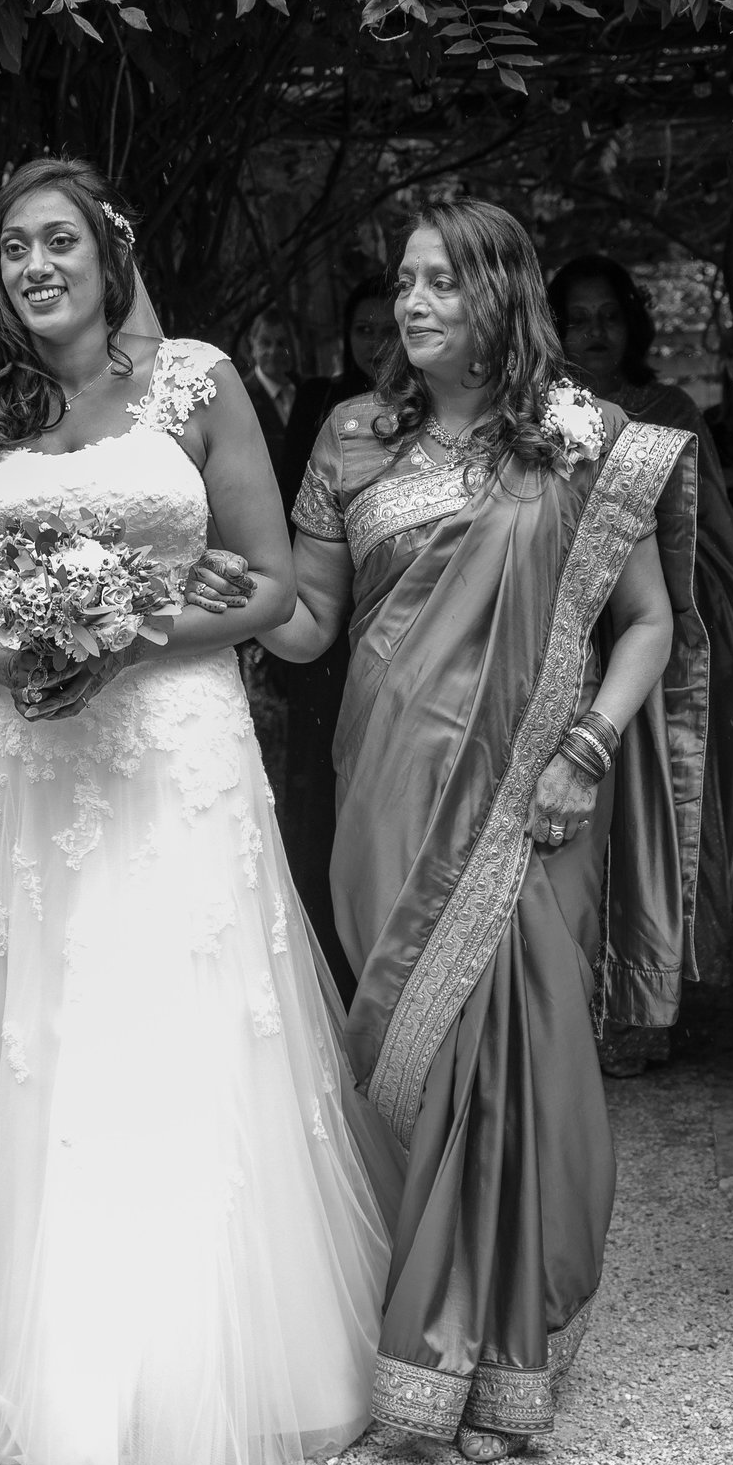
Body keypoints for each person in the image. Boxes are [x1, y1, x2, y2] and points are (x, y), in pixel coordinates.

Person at [0, 157, 388, 1465]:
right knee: (51, 1020)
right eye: (13, 250)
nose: (35, 266)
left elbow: (271, 586)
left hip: (171, 740)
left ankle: (216, 1359)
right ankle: (62, 1359)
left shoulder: (199, 382)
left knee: (178, 1010)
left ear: (111, 254)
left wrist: (127, 632)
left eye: (60, 242)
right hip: (22, 743)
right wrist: (17, 658)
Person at [239, 199, 707, 1459]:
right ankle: (428, 1327)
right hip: (383, 789)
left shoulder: (579, 437)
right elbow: (310, 625)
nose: (413, 302)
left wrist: (588, 747)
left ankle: (488, 1359)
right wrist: (220, 592)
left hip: (530, 792)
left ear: (502, 292)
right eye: (402, 280)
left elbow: (648, 623)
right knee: (412, 1050)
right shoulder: (350, 435)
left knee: (507, 1060)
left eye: (443, 280)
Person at [550, 253, 733, 1071]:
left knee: (643, 819)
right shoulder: (535, 415)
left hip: (647, 651)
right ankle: (562, 1007)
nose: (595, 332)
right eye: (578, 317)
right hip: (561, 641)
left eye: (609, 315)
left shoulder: (666, 409)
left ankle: (638, 1011)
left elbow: (708, 538)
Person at [248, 275, 390, 995]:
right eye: (364, 329)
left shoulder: (502, 430)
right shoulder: (328, 412)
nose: (378, 342)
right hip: (328, 628)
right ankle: (335, 966)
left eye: (386, 326)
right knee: (324, 795)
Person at [240, 308, 306, 444]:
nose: (273, 351)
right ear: (252, 344)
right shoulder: (241, 397)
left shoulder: (308, 391)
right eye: (265, 343)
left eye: (281, 343)